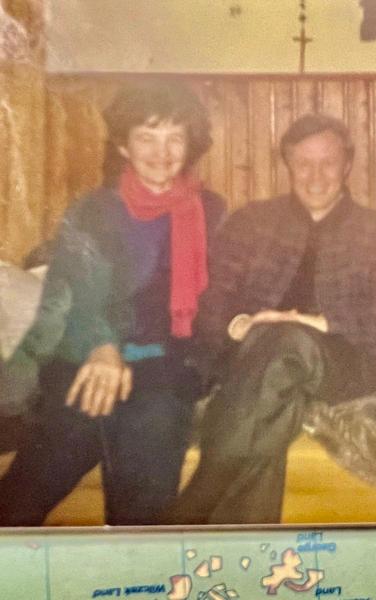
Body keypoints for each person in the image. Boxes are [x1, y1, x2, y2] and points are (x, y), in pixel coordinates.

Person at [167, 114, 376, 524]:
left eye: (328, 163)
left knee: (288, 341)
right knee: (272, 395)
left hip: (347, 365)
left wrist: (318, 324)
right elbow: (210, 300)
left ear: (347, 165)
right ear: (288, 164)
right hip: (254, 362)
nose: (315, 176)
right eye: (303, 163)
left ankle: (192, 509)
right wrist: (241, 324)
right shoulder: (250, 224)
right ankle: (242, 552)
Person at [0, 81, 225, 525]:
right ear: (124, 145)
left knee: (149, 447)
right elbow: (78, 290)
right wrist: (102, 347)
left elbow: (221, 296)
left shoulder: (212, 211)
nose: (161, 153)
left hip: (168, 363)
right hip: (89, 358)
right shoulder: (92, 211)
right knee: (34, 480)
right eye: (147, 137)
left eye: (175, 138)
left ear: (191, 145)